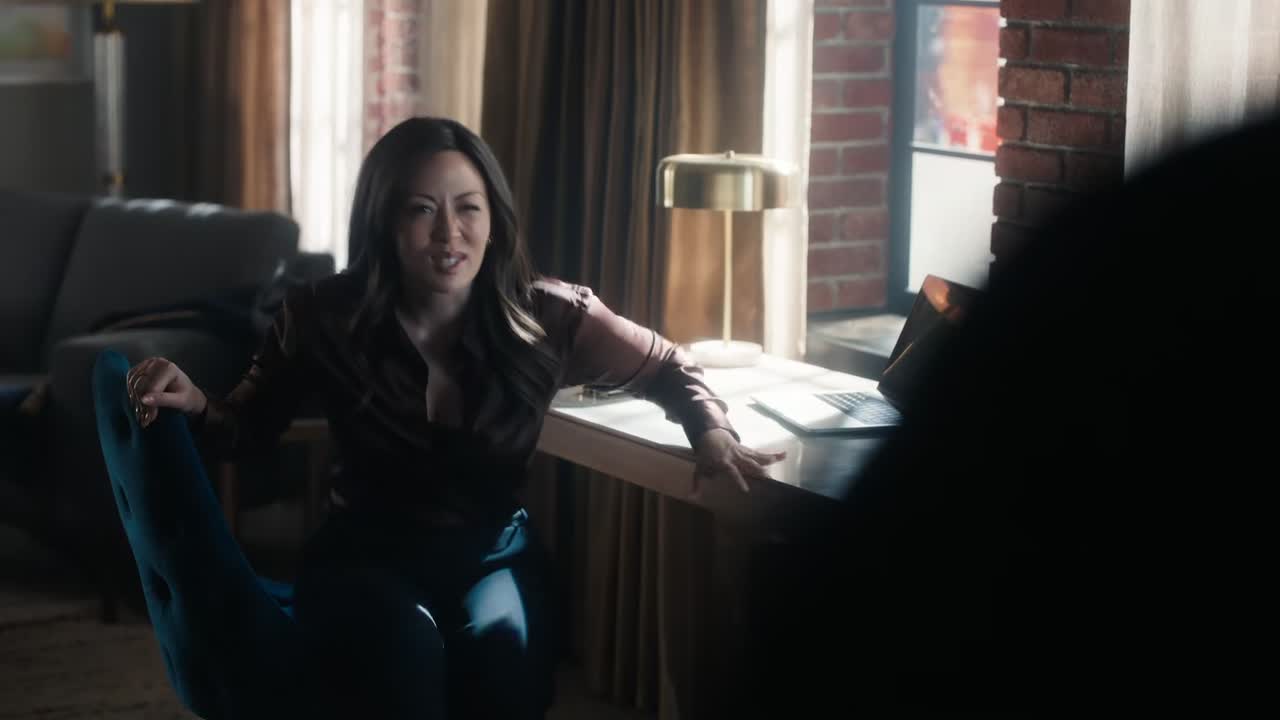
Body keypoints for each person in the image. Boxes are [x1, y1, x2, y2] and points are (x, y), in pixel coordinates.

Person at [123, 116, 785, 718]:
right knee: (403, 658)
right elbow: (245, 428)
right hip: (362, 559)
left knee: (505, 666)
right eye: (421, 210)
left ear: (494, 218)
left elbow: (669, 364)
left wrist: (711, 431)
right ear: (384, 220)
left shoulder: (553, 315)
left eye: (469, 208)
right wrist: (197, 403)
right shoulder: (321, 315)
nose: (449, 234)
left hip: (492, 558)